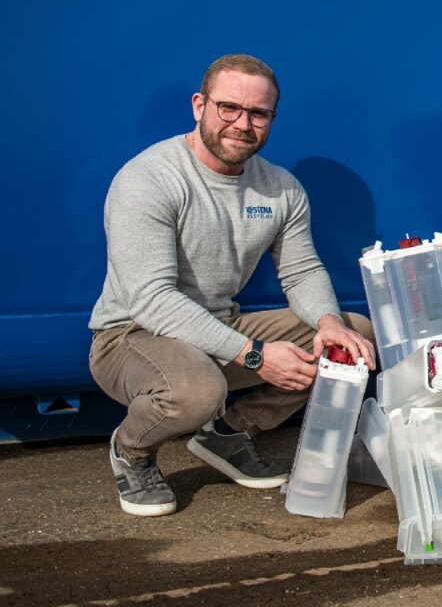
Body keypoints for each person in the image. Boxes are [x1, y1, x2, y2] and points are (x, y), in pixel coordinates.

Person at [88, 53, 375, 517]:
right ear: (199, 105)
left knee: (353, 336)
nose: (242, 124)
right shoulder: (150, 179)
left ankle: (229, 433)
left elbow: (300, 271)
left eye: (258, 113)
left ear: (271, 119)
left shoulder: (280, 188)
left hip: (220, 324)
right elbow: (152, 299)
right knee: (198, 391)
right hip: (131, 335)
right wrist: (256, 356)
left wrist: (326, 322)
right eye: (229, 108)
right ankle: (132, 451)